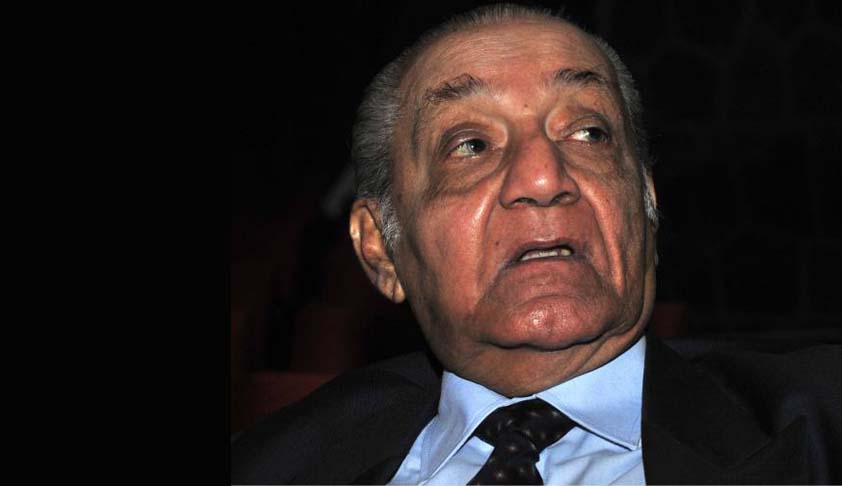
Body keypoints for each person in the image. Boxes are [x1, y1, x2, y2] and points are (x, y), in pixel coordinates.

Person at [231, 4, 841, 484]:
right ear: (381, 251)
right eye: (471, 145)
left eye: (589, 132)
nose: (544, 176)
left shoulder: (821, 425)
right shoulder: (269, 466)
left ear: (645, 205)